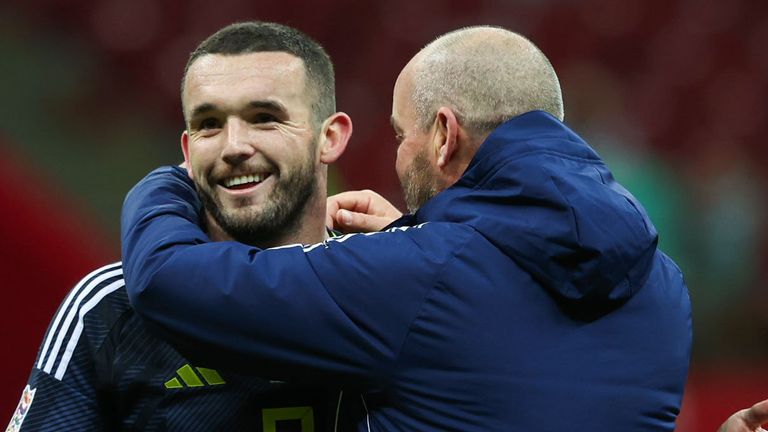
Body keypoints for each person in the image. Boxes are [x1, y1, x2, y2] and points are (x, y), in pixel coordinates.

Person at [120, 26, 692, 431]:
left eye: (400, 135)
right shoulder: (663, 289)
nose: (397, 157)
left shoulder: (420, 276)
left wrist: (177, 174)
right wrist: (414, 239)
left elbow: (169, 281)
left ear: (444, 135)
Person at [6, 21, 358, 431]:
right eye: (209, 123)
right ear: (187, 152)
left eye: (264, 117)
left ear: (329, 137)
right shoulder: (110, 308)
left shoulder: (386, 290)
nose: (233, 147)